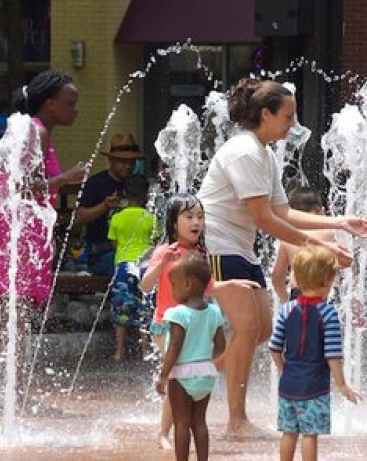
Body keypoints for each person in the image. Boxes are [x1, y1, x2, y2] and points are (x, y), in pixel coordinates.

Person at [196, 78, 367, 435]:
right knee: (247, 328)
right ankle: (236, 420)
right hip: (218, 245)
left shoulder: (264, 154)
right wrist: (322, 247)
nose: (293, 124)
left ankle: (193, 370)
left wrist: (339, 221)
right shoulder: (245, 151)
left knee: (262, 330)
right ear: (266, 114)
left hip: (241, 249)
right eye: (288, 116)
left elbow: (284, 212)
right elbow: (265, 220)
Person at [0, 70, 87, 382]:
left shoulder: (32, 130)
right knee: (7, 308)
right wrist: (67, 178)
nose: (76, 110)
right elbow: (23, 187)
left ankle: (2, 385)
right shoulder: (37, 132)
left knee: (8, 307)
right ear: (50, 104)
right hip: (13, 227)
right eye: (70, 103)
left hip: (15, 225)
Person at [139, 193, 261, 449]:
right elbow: (146, 285)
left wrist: (233, 283)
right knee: (177, 376)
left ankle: (176, 428)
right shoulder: (164, 252)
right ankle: (164, 433)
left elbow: (207, 287)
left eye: (200, 217)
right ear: (174, 223)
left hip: (193, 326)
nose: (196, 222)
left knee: (182, 377)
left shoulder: (201, 253)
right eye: (189, 217)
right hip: (167, 324)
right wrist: (162, 262)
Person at [267, 244, 361, 461]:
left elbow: (274, 347)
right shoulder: (328, 314)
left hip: (288, 385)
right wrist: (342, 384)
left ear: (296, 279)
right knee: (310, 434)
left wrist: (283, 371)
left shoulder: (286, 310)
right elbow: (332, 355)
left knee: (289, 432)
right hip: (315, 387)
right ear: (327, 282)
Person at [154, 255, 227, 461]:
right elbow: (221, 345)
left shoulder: (178, 314)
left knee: (182, 423)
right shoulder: (214, 311)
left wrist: (163, 375)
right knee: (200, 423)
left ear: (188, 283)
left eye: (174, 284)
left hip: (182, 373)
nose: (173, 290)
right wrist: (205, 361)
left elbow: (175, 347)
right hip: (205, 373)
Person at [76, 133, 144, 275]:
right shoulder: (96, 183)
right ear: (111, 160)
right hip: (103, 253)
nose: (128, 166)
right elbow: (79, 217)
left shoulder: (137, 184)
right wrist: (104, 206)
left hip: (135, 250)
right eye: (122, 162)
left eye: (132, 162)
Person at [106, 174, 156, 362]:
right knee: (145, 307)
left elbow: (113, 243)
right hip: (145, 266)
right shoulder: (151, 217)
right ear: (146, 195)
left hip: (123, 266)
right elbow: (154, 241)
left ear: (124, 194)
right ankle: (145, 350)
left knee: (121, 307)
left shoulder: (117, 218)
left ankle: (119, 351)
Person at [270, 186, 337, 303]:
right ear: (320, 210)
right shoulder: (330, 232)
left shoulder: (287, 238)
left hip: (298, 293)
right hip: (326, 292)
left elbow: (277, 279)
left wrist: (286, 301)